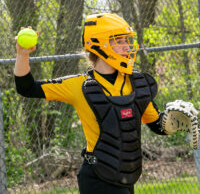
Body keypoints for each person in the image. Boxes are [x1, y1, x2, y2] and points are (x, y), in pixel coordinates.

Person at [14, 13, 171, 194]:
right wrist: (22, 54)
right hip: (97, 177)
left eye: (127, 40)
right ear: (99, 43)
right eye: (119, 41)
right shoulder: (78, 85)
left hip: (125, 174)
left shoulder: (136, 83)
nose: (127, 46)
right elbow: (27, 88)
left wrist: (175, 121)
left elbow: (158, 125)